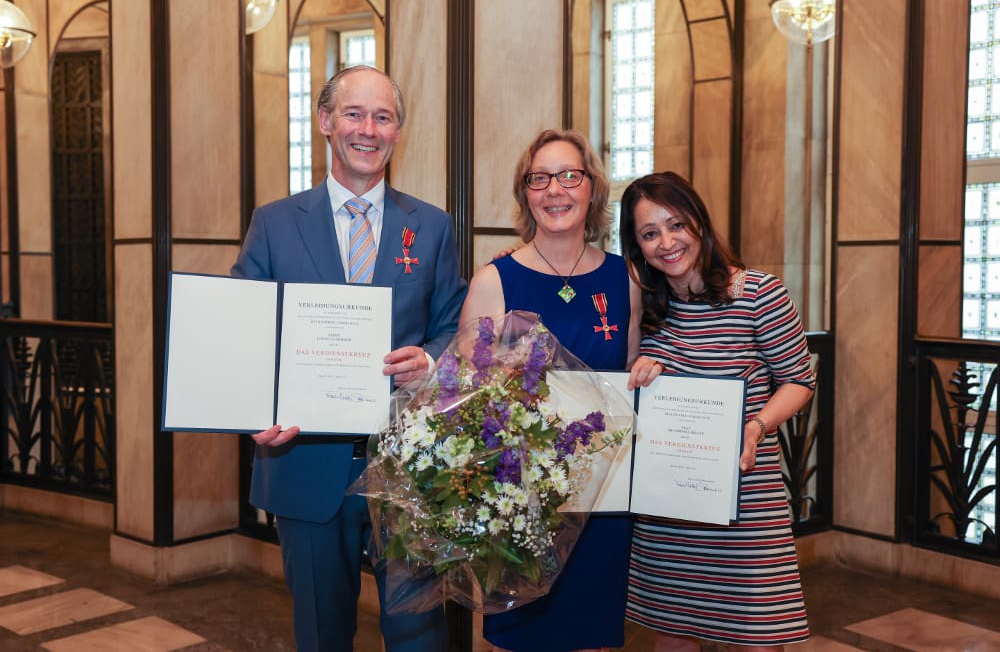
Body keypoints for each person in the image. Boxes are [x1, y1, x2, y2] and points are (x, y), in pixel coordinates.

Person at [231, 65, 467, 652]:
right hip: (305, 464)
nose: (369, 129)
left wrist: (431, 362)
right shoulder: (275, 223)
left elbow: (451, 327)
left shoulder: (432, 227)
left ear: (397, 130)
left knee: (420, 634)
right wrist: (251, 408)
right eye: (354, 114)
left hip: (412, 469)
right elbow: (242, 335)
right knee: (321, 632)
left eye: (383, 117)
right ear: (325, 122)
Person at [459, 128, 642, 652]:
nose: (555, 190)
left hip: (603, 499)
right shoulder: (493, 281)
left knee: (595, 637)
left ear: (592, 189)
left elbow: (628, 372)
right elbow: (467, 403)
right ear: (525, 193)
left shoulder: (623, 278)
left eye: (569, 176)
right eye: (539, 178)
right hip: (523, 503)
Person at [621, 171, 814, 651]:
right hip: (669, 508)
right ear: (637, 247)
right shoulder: (646, 307)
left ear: (700, 225)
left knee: (758, 634)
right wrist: (641, 367)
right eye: (650, 234)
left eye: (676, 225)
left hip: (746, 502)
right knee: (673, 637)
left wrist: (758, 424)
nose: (666, 242)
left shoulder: (758, 294)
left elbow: (799, 380)